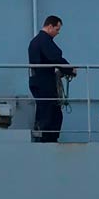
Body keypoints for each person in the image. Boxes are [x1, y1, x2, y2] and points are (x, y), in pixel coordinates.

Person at [27, 15, 75, 143]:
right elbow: (55, 57)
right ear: (50, 27)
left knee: (43, 108)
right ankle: (48, 139)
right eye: (57, 29)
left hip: (36, 80)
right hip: (45, 82)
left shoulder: (34, 42)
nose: (58, 33)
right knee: (51, 111)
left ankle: (41, 136)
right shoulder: (44, 41)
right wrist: (70, 69)